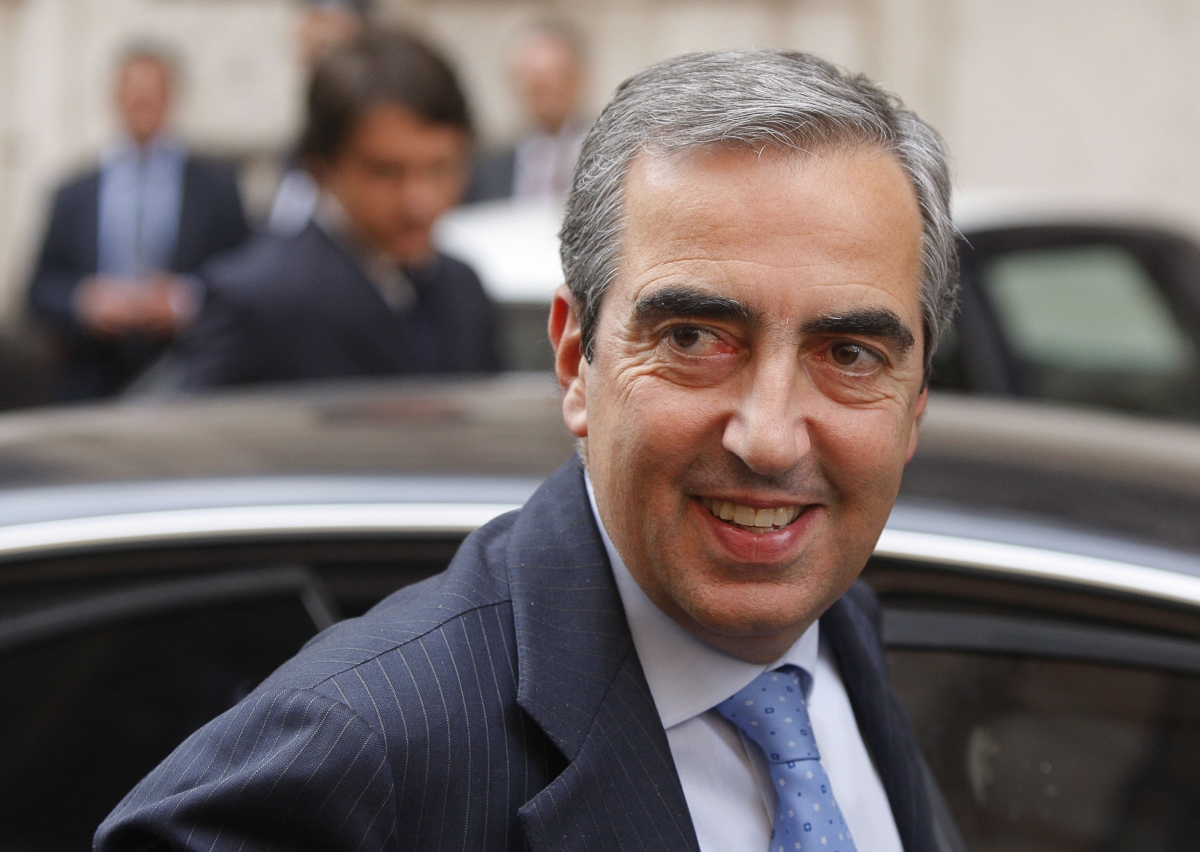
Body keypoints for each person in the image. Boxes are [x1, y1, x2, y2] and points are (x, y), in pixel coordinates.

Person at [95, 49, 957, 851]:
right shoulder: (358, 757)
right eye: (693, 339)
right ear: (577, 361)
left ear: (916, 400)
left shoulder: (840, 630)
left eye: (850, 355)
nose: (768, 439)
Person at [166, 30, 500, 389]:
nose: (419, 201)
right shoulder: (258, 300)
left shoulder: (462, 289)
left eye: (441, 168)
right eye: (386, 172)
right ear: (320, 168)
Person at [27, 46, 249, 400]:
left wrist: (184, 300)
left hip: (186, 372)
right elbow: (38, 291)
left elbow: (244, 280)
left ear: (172, 98)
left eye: (152, 96)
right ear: (115, 99)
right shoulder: (74, 194)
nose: (142, 107)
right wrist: (85, 301)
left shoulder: (216, 189)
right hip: (92, 377)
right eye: (134, 96)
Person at [464, 22, 588, 204]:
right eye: (537, 86)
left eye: (557, 79)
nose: (547, 96)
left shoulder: (610, 159)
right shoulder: (486, 169)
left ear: (577, 78)